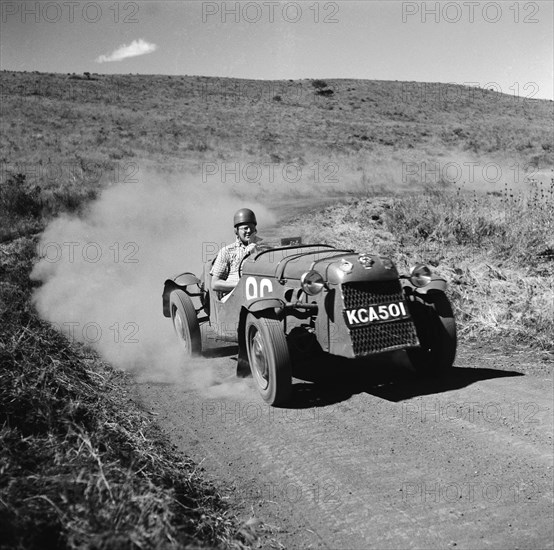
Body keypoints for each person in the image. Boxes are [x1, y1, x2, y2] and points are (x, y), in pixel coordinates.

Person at [211, 208, 261, 302]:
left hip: (262, 293)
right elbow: (215, 284)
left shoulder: (265, 249)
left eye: (252, 227)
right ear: (236, 231)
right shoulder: (227, 252)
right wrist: (242, 284)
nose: (249, 231)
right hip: (233, 298)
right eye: (245, 228)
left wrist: (256, 252)